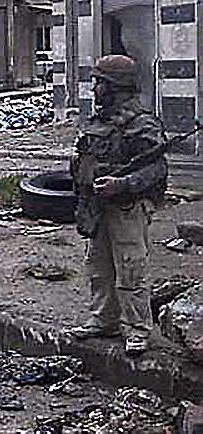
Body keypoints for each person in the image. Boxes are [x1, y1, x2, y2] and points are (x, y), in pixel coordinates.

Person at [69, 54, 168, 357]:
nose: (94, 87)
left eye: (100, 82)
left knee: (130, 269)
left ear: (116, 87)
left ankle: (137, 330)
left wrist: (123, 184)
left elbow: (156, 169)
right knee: (98, 267)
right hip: (97, 206)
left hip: (127, 208)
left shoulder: (141, 124)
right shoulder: (97, 122)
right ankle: (104, 321)